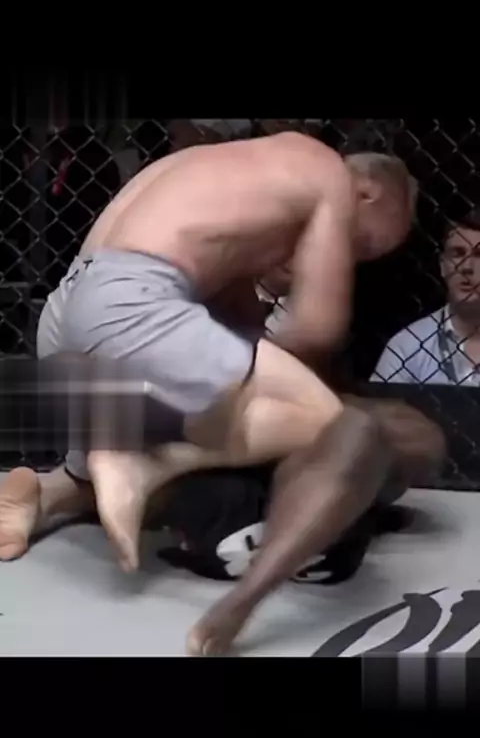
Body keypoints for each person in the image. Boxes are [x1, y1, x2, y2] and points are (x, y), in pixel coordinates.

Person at [0, 132, 417, 655]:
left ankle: (42, 497)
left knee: (147, 452)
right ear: (368, 193)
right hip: (132, 304)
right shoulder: (327, 176)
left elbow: (230, 313)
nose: (352, 260)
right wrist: (291, 364)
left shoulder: (232, 174)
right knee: (325, 420)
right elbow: (317, 329)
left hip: (67, 316)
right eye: (365, 246)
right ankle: (147, 462)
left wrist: (253, 358)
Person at [372, 208, 480, 385]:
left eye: (479, 255)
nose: (466, 266)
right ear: (442, 265)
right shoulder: (408, 346)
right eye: (457, 253)